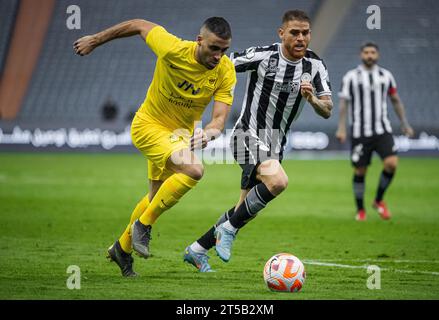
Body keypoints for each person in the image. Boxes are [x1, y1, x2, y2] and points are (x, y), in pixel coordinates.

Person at [74, 17, 236, 276]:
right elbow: (138, 24)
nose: (219, 56)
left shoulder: (226, 70)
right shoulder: (172, 48)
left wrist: (208, 134)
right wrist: (95, 40)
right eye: (214, 48)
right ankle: (144, 225)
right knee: (194, 170)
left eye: (224, 50)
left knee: (154, 197)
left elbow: (218, 120)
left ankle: (122, 249)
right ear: (199, 41)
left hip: (179, 136)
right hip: (149, 126)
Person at [183, 10, 333, 272]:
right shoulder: (264, 56)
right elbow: (221, 64)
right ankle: (227, 230)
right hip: (246, 135)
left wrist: (313, 100)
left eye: (305, 33)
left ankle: (196, 250)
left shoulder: (315, 65)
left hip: (275, 144)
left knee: (242, 210)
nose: (301, 38)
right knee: (278, 181)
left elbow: (327, 109)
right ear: (281, 33)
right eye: (294, 32)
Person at [335, 42, 414, 221]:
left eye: (372, 52)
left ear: (377, 55)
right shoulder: (351, 77)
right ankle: (361, 210)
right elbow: (343, 104)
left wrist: (404, 123)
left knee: (392, 163)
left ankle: (378, 200)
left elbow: (395, 100)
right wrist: (341, 127)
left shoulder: (386, 76)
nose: (369, 55)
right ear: (361, 54)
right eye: (366, 52)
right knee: (360, 171)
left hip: (382, 130)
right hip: (360, 132)